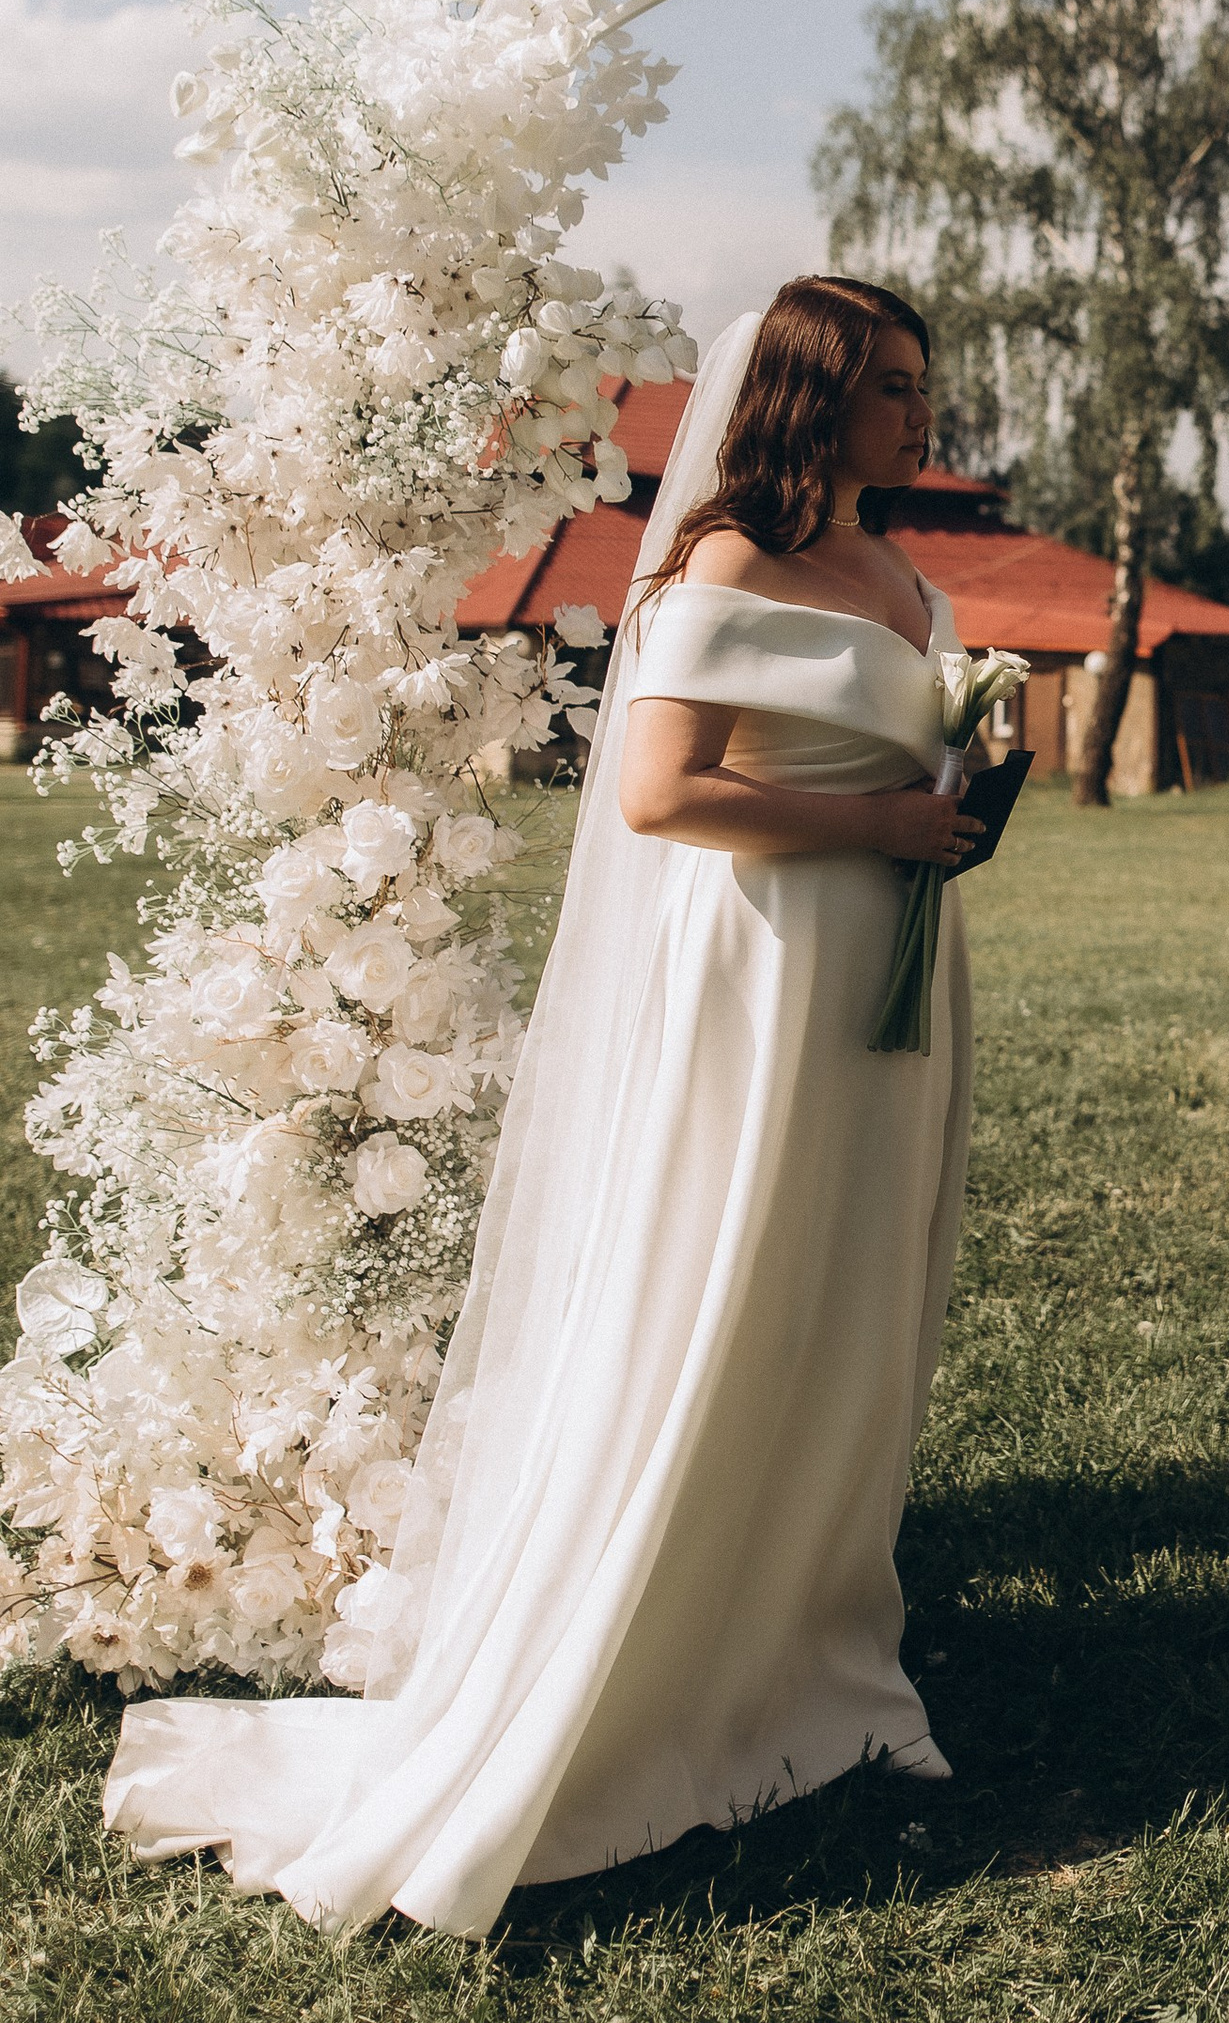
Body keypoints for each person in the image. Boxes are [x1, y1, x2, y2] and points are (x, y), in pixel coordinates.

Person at [104, 278, 984, 1936]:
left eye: (923, 383)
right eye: (884, 385)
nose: (916, 412)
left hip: (892, 980)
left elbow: (890, 768)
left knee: (848, 1304)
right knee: (726, 1287)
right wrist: (876, 833)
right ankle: (653, 1666)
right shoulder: (722, 564)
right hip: (767, 974)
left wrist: (954, 804)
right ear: (805, 399)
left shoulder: (899, 572)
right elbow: (661, 790)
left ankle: (814, 1653)